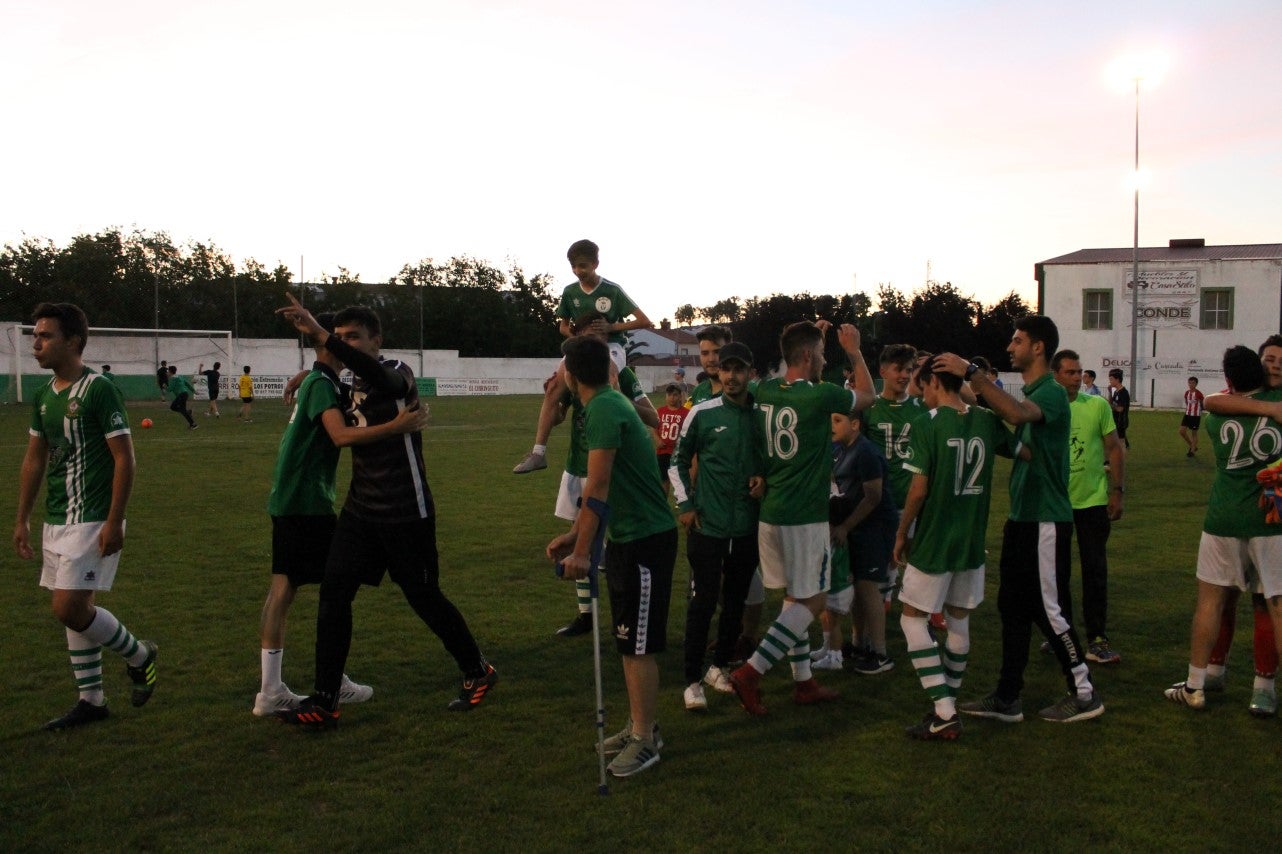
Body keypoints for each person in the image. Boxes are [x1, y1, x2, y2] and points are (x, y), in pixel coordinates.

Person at [275, 303, 496, 726]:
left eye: (353, 336)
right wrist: (311, 372)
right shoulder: (345, 381)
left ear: (377, 340)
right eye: (341, 335)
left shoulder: (398, 371)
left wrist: (325, 337)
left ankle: (477, 670)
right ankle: (325, 700)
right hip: (361, 510)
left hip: (405, 510)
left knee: (423, 595)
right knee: (334, 593)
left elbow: (382, 379)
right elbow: (338, 387)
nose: (345, 343)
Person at [254, 309, 428, 717]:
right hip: (305, 501)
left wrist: (307, 374)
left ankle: (288, 686)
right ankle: (293, 687)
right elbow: (340, 435)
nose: (348, 346)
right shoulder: (320, 383)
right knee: (325, 588)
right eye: (342, 339)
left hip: (296, 496)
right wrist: (396, 427)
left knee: (301, 588)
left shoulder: (323, 381)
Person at [937, 315, 1105, 724]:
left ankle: (1084, 691)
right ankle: (1008, 697)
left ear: (1038, 348)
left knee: (1048, 610)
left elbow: (1012, 414)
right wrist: (948, 379)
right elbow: (1014, 431)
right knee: (1011, 607)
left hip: (1046, 519)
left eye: (1017, 341)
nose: (1010, 347)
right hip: (1023, 517)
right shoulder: (1033, 393)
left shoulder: (1049, 392)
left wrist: (971, 371)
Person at [13, 303, 158, 730]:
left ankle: (140, 654)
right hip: (56, 516)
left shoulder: (99, 390)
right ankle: (91, 700)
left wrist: (116, 520)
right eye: (35, 336)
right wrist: (21, 518)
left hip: (92, 515)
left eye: (45, 336)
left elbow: (124, 457)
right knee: (78, 607)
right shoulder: (43, 396)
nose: (36, 344)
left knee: (67, 607)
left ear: (73, 341)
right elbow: (34, 460)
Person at [729, 320, 877, 716]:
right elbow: (868, 396)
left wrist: (818, 340)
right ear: (809, 356)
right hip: (805, 516)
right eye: (822, 354)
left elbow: (791, 374)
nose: (826, 360)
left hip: (770, 513)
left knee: (793, 599)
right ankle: (751, 671)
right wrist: (854, 351)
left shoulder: (764, 389)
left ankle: (803, 682)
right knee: (813, 600)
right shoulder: (821, 395)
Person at [547, 334, 677, 778]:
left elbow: (598, 486)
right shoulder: (605, 404)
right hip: (629, 535)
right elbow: (609, 486)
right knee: (628, 639)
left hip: (644, 539)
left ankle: (646, 738)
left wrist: (583, 551)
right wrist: (573, 534)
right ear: (608, 369)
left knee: (637, 645)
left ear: (569, 373)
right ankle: (640, 724)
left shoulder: (603, 409)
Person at [894, 360, 1015, 740]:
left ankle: (944, 711)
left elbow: (918, 490)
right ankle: (947, 698)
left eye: (923, 384)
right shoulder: (985, 420)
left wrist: (901, 533)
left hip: (935, 537)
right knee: (958, 620)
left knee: (911, 618)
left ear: (933, 383)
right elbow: (1023, 451)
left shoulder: (927, 423)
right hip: (971, 538)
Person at [1164, 346, 1282, 714]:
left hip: (1224, 518)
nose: (1275, 366)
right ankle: (1253, 684)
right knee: (1272, 607)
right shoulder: (1272, 405)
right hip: (1270, 522)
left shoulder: (1218, 415)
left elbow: (1216, 402)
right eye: (1270, 361)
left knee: (1211, 603)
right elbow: (1220, 399)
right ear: (1259, 369)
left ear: (1230, 378)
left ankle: (1197, 684)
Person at [551, 311, 658, 638]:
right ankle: (586, 616)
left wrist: (617, 394)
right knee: (579, 542)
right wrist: (554, 401)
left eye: (595, 337)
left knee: (608, 548)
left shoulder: (622, 375)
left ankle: (624, 620)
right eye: (584, 336)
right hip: (578, 464)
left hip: (610, 470)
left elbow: (652, 418)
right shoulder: (573, 371)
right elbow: (557, 416)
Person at [670, 341, 761, 711]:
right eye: (726, 369)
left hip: (746, 526)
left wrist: (763, 478)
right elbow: (676, 461)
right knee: (702, 602)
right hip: (706, 524)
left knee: (735, 602)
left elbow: (770, 459)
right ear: (718, 372)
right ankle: (692, 680)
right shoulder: (703, 412)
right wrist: (687, 504)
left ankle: (719, 666)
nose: (732, 376)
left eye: (739, 369)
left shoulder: (762, 414)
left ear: (751, 372)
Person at [513, 239, 652, 474]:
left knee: (609, 381)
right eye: (574, 267)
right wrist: (576, 333)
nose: (579, 271)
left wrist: (611, 328)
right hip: (581, 344)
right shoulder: (570, 292)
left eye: (583, 266)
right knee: (553, 388)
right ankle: (538, 453)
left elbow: (644, 320)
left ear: (596, 263)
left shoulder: (612, 290)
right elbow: (563, 327)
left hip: (612, 347)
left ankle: (622, 440)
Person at [1053, 350, 1126, 665]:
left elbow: (1114, 447)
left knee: (1095, 572)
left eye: (1078, 372)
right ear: (1055, 375)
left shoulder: (1096, 405)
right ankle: (1062, 634)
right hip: (1055, 505)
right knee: (1057, 574)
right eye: (1069, 372)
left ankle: (1097, 638)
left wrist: (1117, 491)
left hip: (1093, 503)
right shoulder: (1046, 409)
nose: (1075, 378)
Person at [828, 407, 899, 675]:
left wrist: (845, 526)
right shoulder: (839, 449)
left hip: (874, 526)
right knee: (858, 585)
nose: (831, 425)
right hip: (857, 526)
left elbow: (873, 497)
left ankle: (880, 654)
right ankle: (859, 644)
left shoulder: (865, 452)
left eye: (837, 420)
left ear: (855, 424)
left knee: (869, 588)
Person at [684, 325, 733, 407]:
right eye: (705, 353)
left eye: (717, 352)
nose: (711, 359)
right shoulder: (698, 391)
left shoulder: (749, 391)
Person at [655, 384, 687, 493]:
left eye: (675, 395)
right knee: (663, 479)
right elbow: (654, 428)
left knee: (679, 479)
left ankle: (682, 502)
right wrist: (657, 440)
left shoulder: (685, 413)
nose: (672, 398)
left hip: (678, 452)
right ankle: (663, 503)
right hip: (662, 451)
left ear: (680, 396)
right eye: (669, 395)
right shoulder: (660, 411)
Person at [1180, 376, 1204, 457]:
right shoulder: (1187, 393)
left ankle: (1192, 451)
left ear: (1196, 384)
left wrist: (1199, 410)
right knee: (1182, 431)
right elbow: (1187, 402)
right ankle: (1192, 445)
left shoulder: (1198, 394)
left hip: (1195, 416)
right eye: (1189, 382)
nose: (1191, 384)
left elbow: (1202, 404)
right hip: (1187, 414)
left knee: (1194, 433)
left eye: (1193, 383)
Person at [1107, 369, 1130, 449]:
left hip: (1121, 421)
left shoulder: (1123, 392)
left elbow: (1120, 408)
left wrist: (1109, 404)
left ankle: (1120, 459)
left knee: (1121, 442)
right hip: (1115, 420)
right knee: (1116, 441)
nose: (1110, 381)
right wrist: (1110, 392)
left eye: (1111, 379)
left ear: (1117, 379)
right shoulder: (1116, 391)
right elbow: (1111, 403)